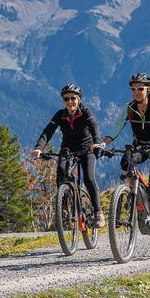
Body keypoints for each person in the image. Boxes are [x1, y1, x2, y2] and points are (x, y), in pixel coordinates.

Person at [94, 73, 150, 246]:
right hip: (141, 146)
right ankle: (137, 194)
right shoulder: (130, 108)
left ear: (148, 89)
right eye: (133, 89)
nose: (136, 92)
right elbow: (116, 128)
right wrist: (103, 144)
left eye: (140, 89)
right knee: (125, 162)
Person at [31, 84, 105, 228]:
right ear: (63, 101)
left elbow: (94, 127)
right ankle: (63, 207)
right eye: (66, 99)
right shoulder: (60, 114)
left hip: (87, 148)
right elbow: (48, 132)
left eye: (73, 98)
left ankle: (98, 212)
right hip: (68, 148)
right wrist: (39, 148)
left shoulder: (85, 112)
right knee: (61, 171)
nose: (70, 102)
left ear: (79, 100)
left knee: (89, 178)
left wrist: (97, 143)